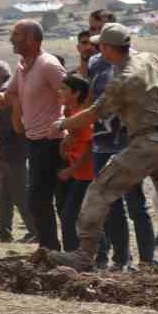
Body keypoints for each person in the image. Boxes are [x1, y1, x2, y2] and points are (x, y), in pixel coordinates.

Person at [49, 24, 158, 283]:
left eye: (101, 46)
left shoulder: (121, 80)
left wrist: (62, 124)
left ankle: (84, 254)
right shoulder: (148, 58)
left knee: (100, 190)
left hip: (146, 143)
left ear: (109, 49)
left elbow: (94, 114)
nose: (99, 50)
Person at [0, 21, 66, 249]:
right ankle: (49, 249)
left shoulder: (49, 65)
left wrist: (68, 129)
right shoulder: (22, 67)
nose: (11, 39)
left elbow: (71, 97)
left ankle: (60, 250)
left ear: (32, 39)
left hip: (53, 141)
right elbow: (4, 101)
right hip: (33, 141)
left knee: (50, 200)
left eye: (17, 35)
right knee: (37, 200)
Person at [87, 25, 155, 271]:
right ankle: (120, 258)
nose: (98, 49)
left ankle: (147, 260)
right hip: (101, 142)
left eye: (102, 44)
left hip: (128, 142)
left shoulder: (138, 64)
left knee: (136, 204)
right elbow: (91, 97)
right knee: (109, 203)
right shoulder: (96, 63)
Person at [0, 60, 33, 243]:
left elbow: (11, 124)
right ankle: (3, 231)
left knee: (20, 194)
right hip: (10, 152)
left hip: (15, 151)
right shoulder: (9, 90)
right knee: (4, 194)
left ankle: (36, 230)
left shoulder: (5, 93)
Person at [57, 74, 96, 253]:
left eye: (64, 89)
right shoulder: (70, 114)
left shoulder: (82, 116)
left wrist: (71, 169)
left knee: (75, 217)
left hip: (87, 176)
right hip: (78, 174)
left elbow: (90, 149)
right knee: (77, 217)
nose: (60, 92)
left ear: (76, 93)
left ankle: (82, 255)